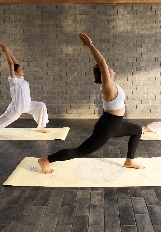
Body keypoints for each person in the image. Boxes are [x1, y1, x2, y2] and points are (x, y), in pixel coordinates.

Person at [38, 33, 144, 174]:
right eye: (107, 68)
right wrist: (90, 45)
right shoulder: (108, 86)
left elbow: (103, 65)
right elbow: (101, 62)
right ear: (104, 73)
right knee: (80, 151)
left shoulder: (113, 84)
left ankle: (129, 160)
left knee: (137, 130)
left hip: (115, 124)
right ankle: (46, 160)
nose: (110, 68)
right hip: (108, 127)